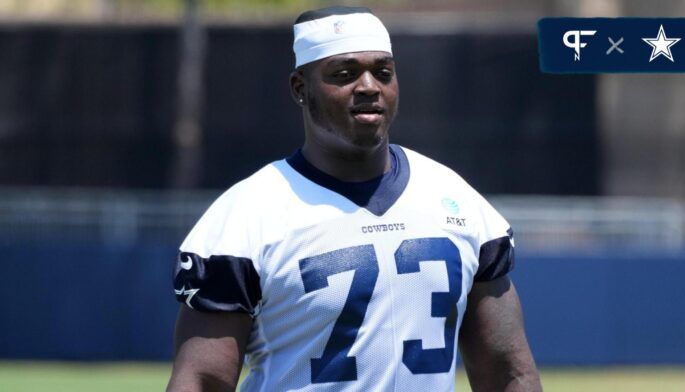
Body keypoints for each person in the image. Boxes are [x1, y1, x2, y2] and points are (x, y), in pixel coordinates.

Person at [167, 6, 541, 392]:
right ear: (301, 88)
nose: (368, 87)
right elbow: (201, 380)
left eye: (383, 72)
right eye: (344, 75)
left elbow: (508, 371)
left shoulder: (456, 199)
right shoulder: (247, 214)